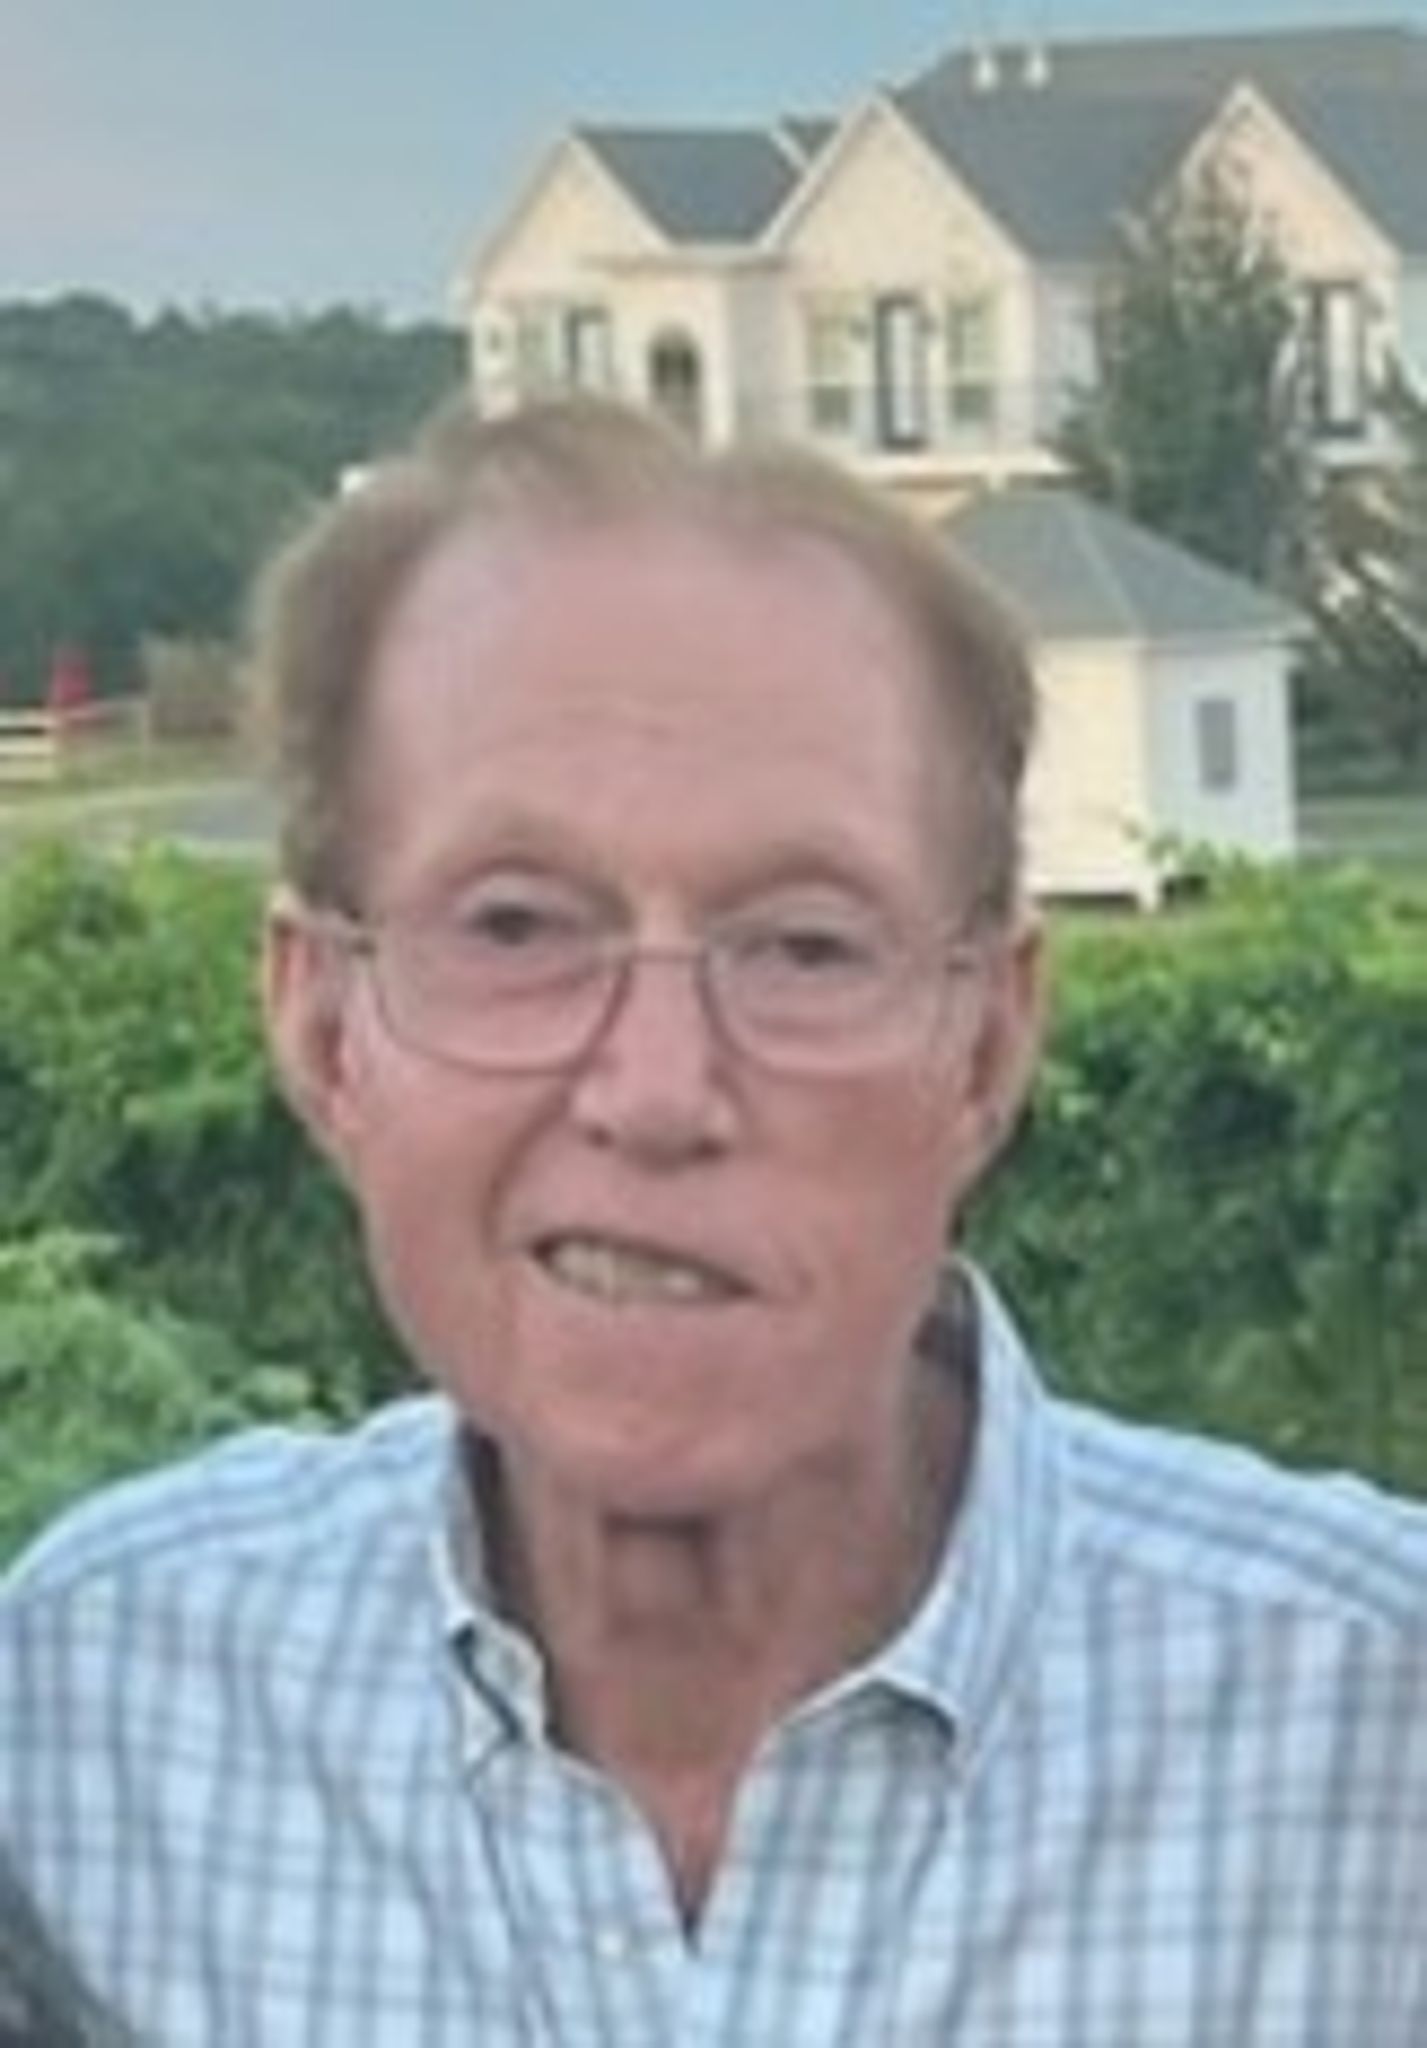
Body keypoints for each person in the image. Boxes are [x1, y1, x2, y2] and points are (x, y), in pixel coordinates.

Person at [2, 397, 1424, 2046]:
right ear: (322, 1024)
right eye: (517, 925)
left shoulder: (1375, 1750)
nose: (659, 1088)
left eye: (805, 945)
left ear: (987, 1041)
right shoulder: (90, 1712)